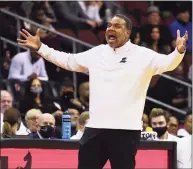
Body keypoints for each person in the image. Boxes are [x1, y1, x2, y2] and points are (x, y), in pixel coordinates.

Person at [17, 14, 188, 169]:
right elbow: (68, 60)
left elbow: (168, 63)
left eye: (116, 26)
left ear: (128, 32)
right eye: (108, 26)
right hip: (95, 129)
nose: (110, 29)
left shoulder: (142, 55)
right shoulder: (97, 53)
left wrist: (178, 51)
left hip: (125, 131)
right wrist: (40, 48)